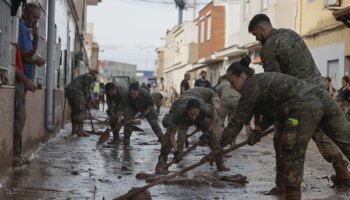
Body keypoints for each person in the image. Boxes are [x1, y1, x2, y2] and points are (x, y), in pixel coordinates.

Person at [219, 58, 350, 200]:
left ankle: (292, 195)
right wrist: (259, 129)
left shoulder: (250, 87)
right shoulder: (262, 81)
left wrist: (218, 147)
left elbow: (237, 121)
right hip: (321, 97)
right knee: (346, 140)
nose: (232, 87)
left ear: (242, 77)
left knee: (292, 152)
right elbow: (274, 111)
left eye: (232, 82)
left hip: (303, 106)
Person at [248, 13, 350, 192]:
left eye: (256, 34)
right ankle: (343, 174)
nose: (257, 39)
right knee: (322, 135)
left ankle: (283, 185)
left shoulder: (269, 48)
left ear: (261, 29)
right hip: (319, 93)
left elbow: (276, 87)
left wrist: (261, 125)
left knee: (282, 139)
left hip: (298, 100)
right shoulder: (291, 34)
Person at [155, 97, 229, 174]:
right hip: (179, 110)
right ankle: (161, 163)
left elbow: (214, 114)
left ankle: (220, 162)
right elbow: (172, 134)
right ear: (187, 111)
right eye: (192, 114)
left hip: (200, 117)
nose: (194, 117)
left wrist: (208, 131)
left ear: (199, 111)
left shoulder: (204, 109)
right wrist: (176, 150)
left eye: (195, 114)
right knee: (167, 139)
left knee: (212, 136)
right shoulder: (179, 113)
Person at [13, 46, 36, 167]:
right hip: (16, 83)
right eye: (32, 24)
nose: (34, 25)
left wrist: (24, 54)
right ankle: (15, 156)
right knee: (19, 119)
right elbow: (11, 63)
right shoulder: (16, 29)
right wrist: (25, 80)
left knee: (21, 120)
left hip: (20, 83)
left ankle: (18, 154)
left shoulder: (16, 40)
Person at [120, 82, 163, 147]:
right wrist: (120, 117)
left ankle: (162, 139)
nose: (133, 96)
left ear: (138, 92)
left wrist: (144, 113)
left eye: (135, 94)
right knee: (128, 122)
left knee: (153, 122)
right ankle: (126, 143)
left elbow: (151, 105)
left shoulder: (146, 94)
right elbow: (123, 106)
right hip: (132, 107)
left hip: (146, 106)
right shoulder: (126, 95)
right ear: (129, 92)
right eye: (131, 94)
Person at [18, 3, 46, 82]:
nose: (36, 21)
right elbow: (23, 56)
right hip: (21, 79)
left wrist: (36, 38)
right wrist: (37, 60)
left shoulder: (26, 29)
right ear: (25, 14)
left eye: (38, 18)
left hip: (25, 79)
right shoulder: (22, 28)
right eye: (34, 17)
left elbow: (31, 52)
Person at [65, 73, 96, 137]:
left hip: (69, 93)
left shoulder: (81, 77)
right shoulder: (89, 76)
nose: (92, 82)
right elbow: (86, 88)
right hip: (77, 93)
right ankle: (80, 130)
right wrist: (86, 99)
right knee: (80, 111)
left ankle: (74, 131)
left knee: (74, 112)